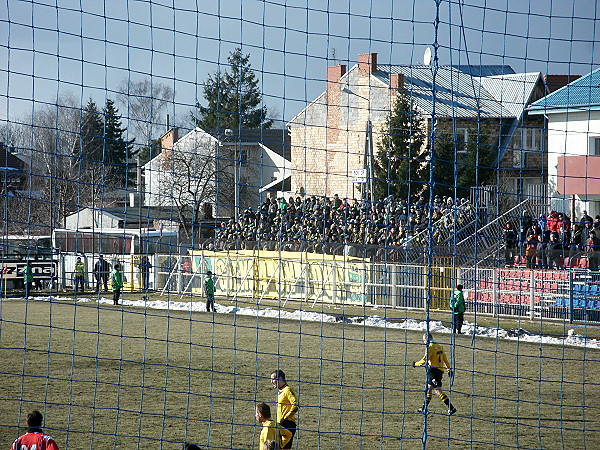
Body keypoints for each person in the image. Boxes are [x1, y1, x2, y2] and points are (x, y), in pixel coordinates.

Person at [413, 333, 457, 415]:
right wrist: (449, 369)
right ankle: (424, 408)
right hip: (439, 371)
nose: (423, 342)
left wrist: (416, 364)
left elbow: (425, 359)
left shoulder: (430, 347)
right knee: (429, 388)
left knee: (437, 390)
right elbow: (445, 359)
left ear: (427, 339)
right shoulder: (439, 346)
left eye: (424, 340)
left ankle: (451, 407)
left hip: (433, 371)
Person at [270, 370, 298, 449]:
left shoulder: (288, 390)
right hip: (281, 424)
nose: (271, 382)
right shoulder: (281, 391)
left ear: (280, 378)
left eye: (273, 379)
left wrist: (285, 418)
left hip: (288, 424)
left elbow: (296, 405)